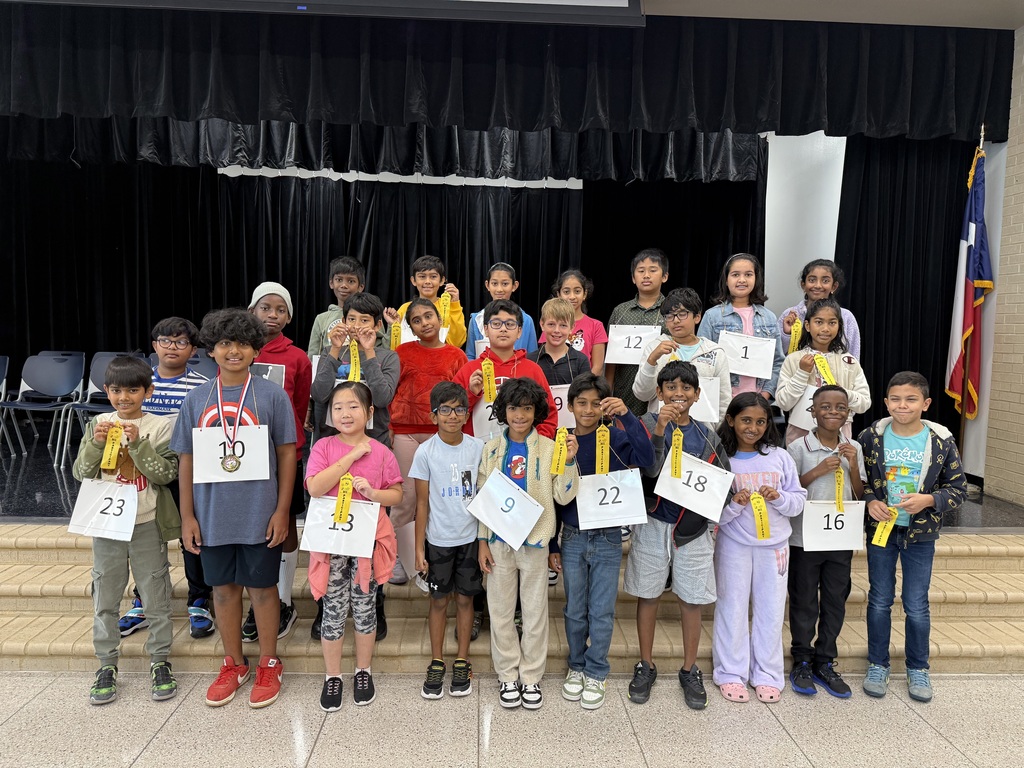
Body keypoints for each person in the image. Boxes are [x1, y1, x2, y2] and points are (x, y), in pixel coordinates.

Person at [172, 309, 297, 709]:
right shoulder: (196, 399)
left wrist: (282, 510)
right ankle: (234, 663)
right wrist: (187, 516)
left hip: (260, 513)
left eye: (243, 343)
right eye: (224, 343)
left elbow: (288, 455)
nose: (233, 351)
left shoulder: (271, 395)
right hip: (211, 515)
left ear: (255, 350)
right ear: (210, 350)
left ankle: (269, 662)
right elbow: (186, 460)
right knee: (223, 591)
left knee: (263, 590)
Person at [72, 356, 179, 705]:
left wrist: (138, 444)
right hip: (106, 525)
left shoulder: (160, 425)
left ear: (148, 391)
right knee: (105, 593)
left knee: (155, 593)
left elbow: (165, 474)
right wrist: (97, 443)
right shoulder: (99, 422)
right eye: (117, 390)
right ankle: (106, 664)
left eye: (133, 390)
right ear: (106, 391)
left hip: (146, 522)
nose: (124, 398)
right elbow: (81, 471)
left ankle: (160, 660)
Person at [625, 361, 730, 710]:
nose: (678, 394)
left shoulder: (707, 434)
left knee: (692, 600)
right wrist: (660, 428)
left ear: (698, 395)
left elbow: (722, 481)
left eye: (686, 388)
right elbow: (646, 470)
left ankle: (689, 668)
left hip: (693, 529)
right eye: (671, 387)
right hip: (654, 522)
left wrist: (728, 497)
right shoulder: (644, 424)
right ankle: (646, 664)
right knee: (648, 594)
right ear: (659, 393)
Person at [859, 371, 968, 703]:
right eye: (895, 399)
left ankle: (918, 667)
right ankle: (878, 664)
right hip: (882, 531)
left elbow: (958, 489)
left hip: (921, 535)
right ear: (885, 402)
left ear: (926, 403)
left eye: (910, 399)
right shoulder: (870, 437)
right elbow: (857, 482)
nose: (902, 405)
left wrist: (929, 500)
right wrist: (870, 501)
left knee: (916, 604)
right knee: (879, 599)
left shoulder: (940, 440)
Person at [550, 373, 654, 710]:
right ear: (570, 405)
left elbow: (647, 458)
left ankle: (597, 671)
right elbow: (553, 494)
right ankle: (577, 666)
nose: (589, 409)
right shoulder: (560, 440)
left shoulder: (615, 437)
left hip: (608, 537)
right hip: (574, 537)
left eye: (596, 403)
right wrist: (553, 543)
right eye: (582, 402)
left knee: (602, 611)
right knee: (575, 609)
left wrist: (626, 415)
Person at [478, 378, 579, 710]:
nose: (519, 415)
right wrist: (482, 541)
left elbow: (564, 494)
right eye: (512, 408)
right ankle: (507, 674)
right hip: (498, 541)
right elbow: (483, 499)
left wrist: (568, 463)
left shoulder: (550, 448)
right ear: (502, 411)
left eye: (526, 408)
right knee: (501, 610)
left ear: (536, 412)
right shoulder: (491, 450)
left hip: (535, 541)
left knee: (535, 612)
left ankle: (531, 677)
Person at [309, 292, 400, 637]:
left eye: (365, 320)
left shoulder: (389, 356)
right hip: (331, 450)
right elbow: (319, 393)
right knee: (328, 530)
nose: (357, 326)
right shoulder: (332, 353)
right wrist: (333, 351)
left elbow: (382, 396)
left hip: (374, 451)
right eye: (352, 319)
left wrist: (371, 353)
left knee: (372, 532)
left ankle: (374, 604)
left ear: (377, 326)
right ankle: (325, 606)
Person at [306, 381, 401, 710]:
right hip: (331, 546)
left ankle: (364, 670)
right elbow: (316, 487)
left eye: (353, 406)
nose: (345, 413)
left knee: (365, 609)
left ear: (370, 412)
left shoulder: (383, 452)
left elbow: (397, 494)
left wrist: (374, 494)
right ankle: (333, 676)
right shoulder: (323, 447)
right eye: (338, 408)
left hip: (366, 547)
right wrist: (352, 456)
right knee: (332, 611)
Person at [120, 317, 214, 641]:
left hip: (186, 472)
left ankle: (199, 600)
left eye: (181, 342)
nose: (172, 347)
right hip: (143, 472)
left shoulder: (203, 386)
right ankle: (143, 600)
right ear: (154, 344)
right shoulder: (139, 384)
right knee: (146, 539)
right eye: (166, 340)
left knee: (192, 537)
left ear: (194, 349)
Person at [712, 392, 806, 703]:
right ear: (731, 420)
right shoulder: (722, 458)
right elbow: (714, 513)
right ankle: (730, 673)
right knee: (732, 607)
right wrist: (736, 505)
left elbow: (797, 501)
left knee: (770, 610)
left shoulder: (779, 457)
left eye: (760, 422)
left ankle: (767, 674)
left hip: (774, 547)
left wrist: (778, 497)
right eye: (746, 421)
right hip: (733, 545)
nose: (753, 427)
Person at [786, 385, 866, 698]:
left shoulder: (853, 446)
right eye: (825, 407)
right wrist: (818, 470)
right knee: (804, 599)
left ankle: (825, 660)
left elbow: (859, 494)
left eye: (840, 407)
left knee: (835, 599)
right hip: (805, 537)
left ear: (848, 412)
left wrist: (855, 465)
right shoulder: (797, 448)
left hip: (840, 537)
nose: (833, 412)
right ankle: (802, 659)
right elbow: (792, 490)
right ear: (813, 412)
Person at [246, 282, 312, 643]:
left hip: (283, 453)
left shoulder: (297, 357)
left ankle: (283, 599)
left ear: (288, 316)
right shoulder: (239, 351)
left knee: (283, 521)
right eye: (265, 308)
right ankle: (257, 599)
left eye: (280, 310)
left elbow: (299, 407)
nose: (273, 315)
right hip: (242, 455)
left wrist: (289, 446)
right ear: (252, 309)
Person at [411, 382, 485, 699]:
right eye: (445, 410)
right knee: (439, 601)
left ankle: (462, 659)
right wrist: (418, 548)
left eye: (458, 409)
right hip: (438, 540)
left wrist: (483, 541)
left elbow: (484, 497)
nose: (452, 416)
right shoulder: (425, 452)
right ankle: (437, 659)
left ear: (467, 414)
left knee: (466, 600)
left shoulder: (478, 448)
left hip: (470, 538)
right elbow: (422, 504)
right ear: (434, 415)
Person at [391, 299, 468, 555]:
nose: (424, 323)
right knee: (406, 499)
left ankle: (433, 555)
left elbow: (461, 398)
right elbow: (391, 392)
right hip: (405, 433)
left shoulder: (456, 355)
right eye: (416, 320)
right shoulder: (401, 352)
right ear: (411, 329)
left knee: (438, 499)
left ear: (439, 319)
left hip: (443, 436)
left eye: (428, 316)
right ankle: (400, 559)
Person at [453, 299, 559, 440]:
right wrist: (471, 393)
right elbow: (451, 414)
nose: (503, 329)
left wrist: (536, 444)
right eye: (496, 324)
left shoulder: (533, 370)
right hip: (477, 454)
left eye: (510, 324)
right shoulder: (469, 370)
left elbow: (549, 415)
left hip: (524, 454)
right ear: (485, 329)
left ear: (519, 331)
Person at [774, 297, 870, 445]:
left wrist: (842, 393)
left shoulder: (849, 362)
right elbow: (783, 403)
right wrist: (802, 373)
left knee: (836, 467)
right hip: (800, 435)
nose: (825, 328)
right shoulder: (793, 360)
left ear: (839, 326)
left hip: (839, 435)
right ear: (807, 325)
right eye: (819, 322)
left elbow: (864, 403)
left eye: (832, 323)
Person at [633, 287, 731, 423]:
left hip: (701, 434)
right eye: (669, 315)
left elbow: (724, 400)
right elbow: (642, 394)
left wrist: (713, 433)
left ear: (697, 317)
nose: (676, 320)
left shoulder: (715, 352)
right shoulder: (655, 348)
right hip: (662, 431)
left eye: (682, 314)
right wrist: (652, 360)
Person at [697, 253, 784, 399]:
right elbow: (702, 360)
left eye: (748, 274)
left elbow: (777, 362)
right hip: (722, 399)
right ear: (726, 280)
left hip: (758, 398)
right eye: (735, 274)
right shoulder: (712, 316)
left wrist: (765, 394)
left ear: (756, 279)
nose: (742, 280)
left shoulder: (768, 317)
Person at [605, 248, 670, 418]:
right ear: (634, 278)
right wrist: (607, 391)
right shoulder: (621, 311)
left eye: (653, 270)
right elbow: (610, 358)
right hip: (623, 387)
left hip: (658, 389)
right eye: (641, 271)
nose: (646, 275)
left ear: (665, 276)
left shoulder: (671, 311)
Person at [778, 259, 862, 360]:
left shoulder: (846, 317)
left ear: (834, 286)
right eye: (812, 280)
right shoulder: (790, 315)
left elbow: (853, 357)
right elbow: (777, 355)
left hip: (834, 375)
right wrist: (787, 334)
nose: (818, 285)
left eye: (825, 281)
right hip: (796, 374)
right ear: (803, 285)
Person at [385, 255, 467, 349]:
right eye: (422, 277)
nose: (427, 281)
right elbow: (395, 344)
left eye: (433, 277)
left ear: (442, 280)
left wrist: (455, 304)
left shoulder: (449, 306)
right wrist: (393, 324)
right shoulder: (405, 309)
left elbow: (457, 342)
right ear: (413, 280)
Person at [539, 269, 608, 375]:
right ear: (559, 294)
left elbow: (597, 367)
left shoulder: (596, 326)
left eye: (577, 291)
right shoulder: (551, 325)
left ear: (584, 294)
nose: (572, 296)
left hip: (584, 386)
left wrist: (583, 387)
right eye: (566, 292)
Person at [466, 262, 538, 359]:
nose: (499, 289)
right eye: (494, 283)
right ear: (487, 285)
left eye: (505, 284)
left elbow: (532, 356)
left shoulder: (527, 320)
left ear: (514, 286)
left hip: (517, 373)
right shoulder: (476, 320)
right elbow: (470, 356)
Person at [306, 256, 367, 357]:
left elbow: (382, 349)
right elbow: (313, 355)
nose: (344, 285)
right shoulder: (321, 319)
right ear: (331, 283)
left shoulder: (369, 315)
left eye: (351, 281)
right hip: (329, 370)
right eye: (339, 280)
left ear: (360, 287)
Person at [528, 298, 591, 388]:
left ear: (572, 327)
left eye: (563, 325)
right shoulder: (530, 360)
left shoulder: (580, 361)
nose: (557, 330)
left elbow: (585, 393)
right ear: (542, 324)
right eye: (551, 324)